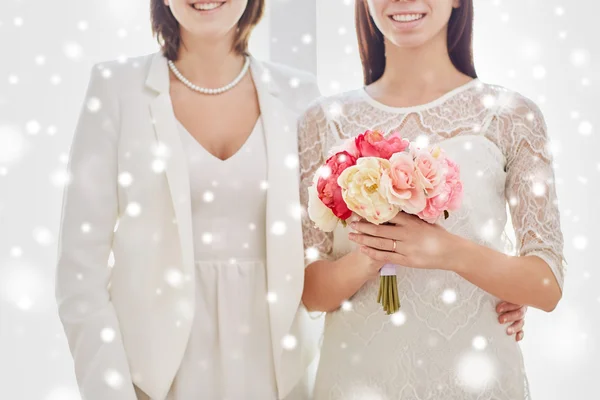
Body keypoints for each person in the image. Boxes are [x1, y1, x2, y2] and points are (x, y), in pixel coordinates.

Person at [55, 1, 322, 399]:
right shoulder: (116, 87)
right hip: (152, 378)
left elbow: (322, 247)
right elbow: (80, 271)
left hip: (274, 373)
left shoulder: (299, 94)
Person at [298, 0, 564, 399]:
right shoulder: (323, 121)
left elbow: (546, 284)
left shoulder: (511, 116)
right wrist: (371, 255)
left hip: (474, 377)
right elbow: (309, 291)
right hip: (358, 379)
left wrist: (448, 251)